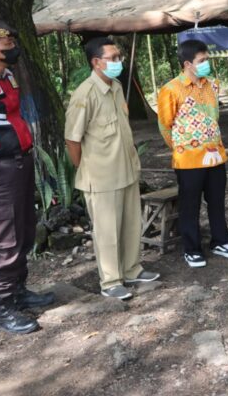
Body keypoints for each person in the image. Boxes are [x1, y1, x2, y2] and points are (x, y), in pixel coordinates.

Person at [0, 19, 54, 334]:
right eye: (8, 47)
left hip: (17, 166)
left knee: (22, 231)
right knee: (2, 239)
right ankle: (4, 307)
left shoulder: (4, 76)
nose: (14, 50)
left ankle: (18, 291)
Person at [65, 37, 159, 300]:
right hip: (101, 176)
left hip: (126, 170)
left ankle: (132, 269)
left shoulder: (116, 87)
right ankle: (111, 281)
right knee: (107, 231)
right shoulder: (85, 94)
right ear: (96, 63)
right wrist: (85, 167)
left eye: (119, 57)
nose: (119, 62)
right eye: (113, 58)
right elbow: (72, 139)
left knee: (130, 224)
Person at [157, 39, 228, 268]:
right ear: (187, 64)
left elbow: (214, 117)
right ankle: (192, 249)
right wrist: (180, 148)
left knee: (216, 199)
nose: (206, 64)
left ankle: (220, 241)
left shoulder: (213, 85)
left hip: (215, 154)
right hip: (188, 159)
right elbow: (165, 125)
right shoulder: (171, 89)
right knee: (190, 204)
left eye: (207, 59)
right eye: (201, 60)